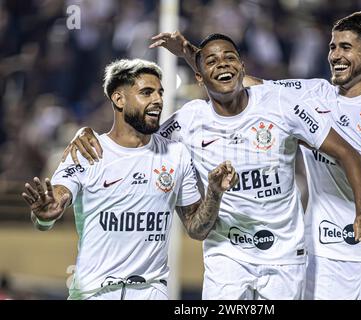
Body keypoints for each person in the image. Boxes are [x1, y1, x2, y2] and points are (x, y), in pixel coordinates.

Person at [62, 34, 361, 300]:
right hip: (226, 250)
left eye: (230, 58)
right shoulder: (189, 120)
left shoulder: (280, 104)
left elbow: (347, 153)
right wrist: (86, 134)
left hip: (283, 252)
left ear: (242, 67)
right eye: (212, 62)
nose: (222, 64)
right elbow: (136, 140)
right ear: (199, 78)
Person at [158, 12, 361, 300]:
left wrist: (323, 146)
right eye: (332, 47)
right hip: (325, 253)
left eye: (346, 47)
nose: (335, 55)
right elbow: (238, 82)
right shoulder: (312, 94)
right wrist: (189, 52)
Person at [21, 58, 237, 300]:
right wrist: (44, 217)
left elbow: (197, 230)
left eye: (160, 92)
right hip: (94, 294)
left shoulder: (176, 154)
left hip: (151, 292)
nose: (158, 100)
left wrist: (215, 193)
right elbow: (55, 202)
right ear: (118, 99)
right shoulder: (86, 151)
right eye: (147, 92)